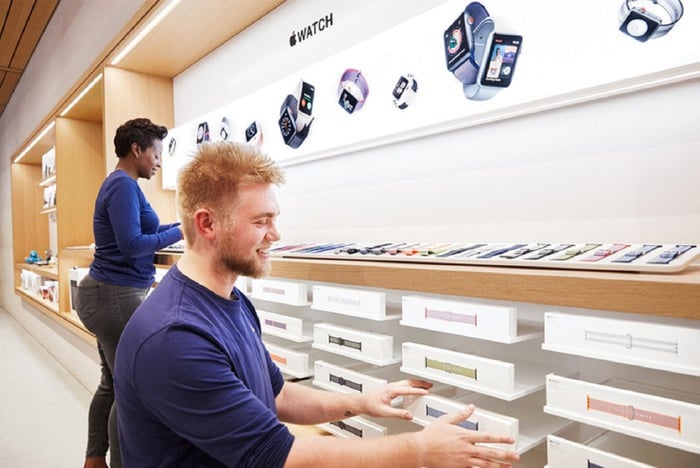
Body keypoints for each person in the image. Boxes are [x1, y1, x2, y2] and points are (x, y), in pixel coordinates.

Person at [114, 141, 520, 467]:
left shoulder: (231, 300)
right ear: (207, 224)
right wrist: (420, 452)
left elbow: (275, 397)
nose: (275, 234)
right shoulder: (175, 338)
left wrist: (360, 401)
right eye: (261, 221)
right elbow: (279, 456)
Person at [75, 118, 183, 468]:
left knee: (112, 383)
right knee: (130, 387)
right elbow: (135, 245)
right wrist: (181, 234)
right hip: (114, 296)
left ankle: (94, 459)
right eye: (156, 153)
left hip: (106, 294)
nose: (159, 161)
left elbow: (144, 233)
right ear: (137, 150)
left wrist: (182, 227)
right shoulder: (123, 186)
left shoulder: (122, 185)